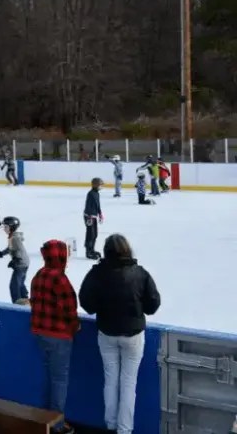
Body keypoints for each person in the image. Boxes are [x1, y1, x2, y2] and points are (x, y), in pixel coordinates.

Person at [79, 234, 160, 434]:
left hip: (107, 333)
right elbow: (153, 305)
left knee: (111, 379)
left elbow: (86, 303)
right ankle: (124, 429)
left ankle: (111, 424)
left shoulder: (97, 273)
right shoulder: (140, 274)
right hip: (133, 335)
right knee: (128, 383)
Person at [29, 239, 79, 434]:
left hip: (40, 333)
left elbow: (33, 301)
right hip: (59, 336)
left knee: (48, 376)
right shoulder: (60, 279)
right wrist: (74, 327)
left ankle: (44, 418)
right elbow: (70, 309)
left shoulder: (39, 275)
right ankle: (56, 423)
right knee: (59, 380)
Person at [0, 216, 29, 303]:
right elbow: (10, 249)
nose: (4, 229)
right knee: (20, 284)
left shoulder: (15, 238)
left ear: (12, 227)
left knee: (14, 286)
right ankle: (25, 300)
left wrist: (16, 260)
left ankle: (17, 305)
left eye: (6, 227)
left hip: (21, 264)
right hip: (23, 263)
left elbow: (19, 251)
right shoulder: (12, 237)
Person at [83, 178, 104, 260]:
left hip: (94, 216)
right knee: (90, 234)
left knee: (95, 234)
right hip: (89, 216)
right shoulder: (90, 194)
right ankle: (88, 251)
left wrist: (100, 213)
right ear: (95, 185)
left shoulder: (97, 193)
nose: (101, 187)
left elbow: (97, 205)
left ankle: (92, 249)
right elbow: (88, 206)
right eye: (100, 185)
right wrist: (89, 216)